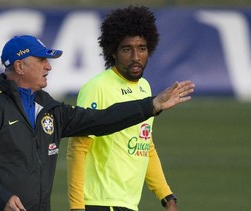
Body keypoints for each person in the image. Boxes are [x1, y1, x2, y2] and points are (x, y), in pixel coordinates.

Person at [0, 35, 194, 211]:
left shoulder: (51, 110)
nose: (49, 66)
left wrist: (151, 106)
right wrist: (0, 197)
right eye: (42, 60)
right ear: (20, 66)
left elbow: (99, 120)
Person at [67, 5, 181, 211]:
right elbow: (77, 149)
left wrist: (166, 196)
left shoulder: (145, 88)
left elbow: (145, 145)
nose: (136, 56)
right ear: (113, 51)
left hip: (127, 204)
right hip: (99, 203)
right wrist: (77, 207)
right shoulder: (97, 88)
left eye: (142, 48)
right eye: (127, 49)